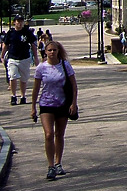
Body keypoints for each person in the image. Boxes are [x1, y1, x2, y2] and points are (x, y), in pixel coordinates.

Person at [31, 40, 77, 180]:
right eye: (49, 50)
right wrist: (33, 106)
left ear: (58, 51)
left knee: (59, 134)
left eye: (54, 50)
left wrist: (73, 103)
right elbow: (36, 88)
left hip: (62, 104)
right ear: (45, 51)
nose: (52, 52)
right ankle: (50, 166)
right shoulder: (41, 68)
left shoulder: (65, 66)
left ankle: (58, 163)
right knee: (49, 134)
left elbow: (74, 85)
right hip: (46, 104)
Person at [1, 14, 38, 105]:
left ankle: (23, 96)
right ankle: (13, 96)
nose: (20, 23)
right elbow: (5, 45)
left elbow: (33, 44)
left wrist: (36, 57)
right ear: (14, 22)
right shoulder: (11, 33)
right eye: (18, 21)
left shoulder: (27, 32)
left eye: (21, 21)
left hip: (24, 58)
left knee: (23, 79)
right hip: (13, 58)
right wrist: (2, 56)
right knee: (13, 77)